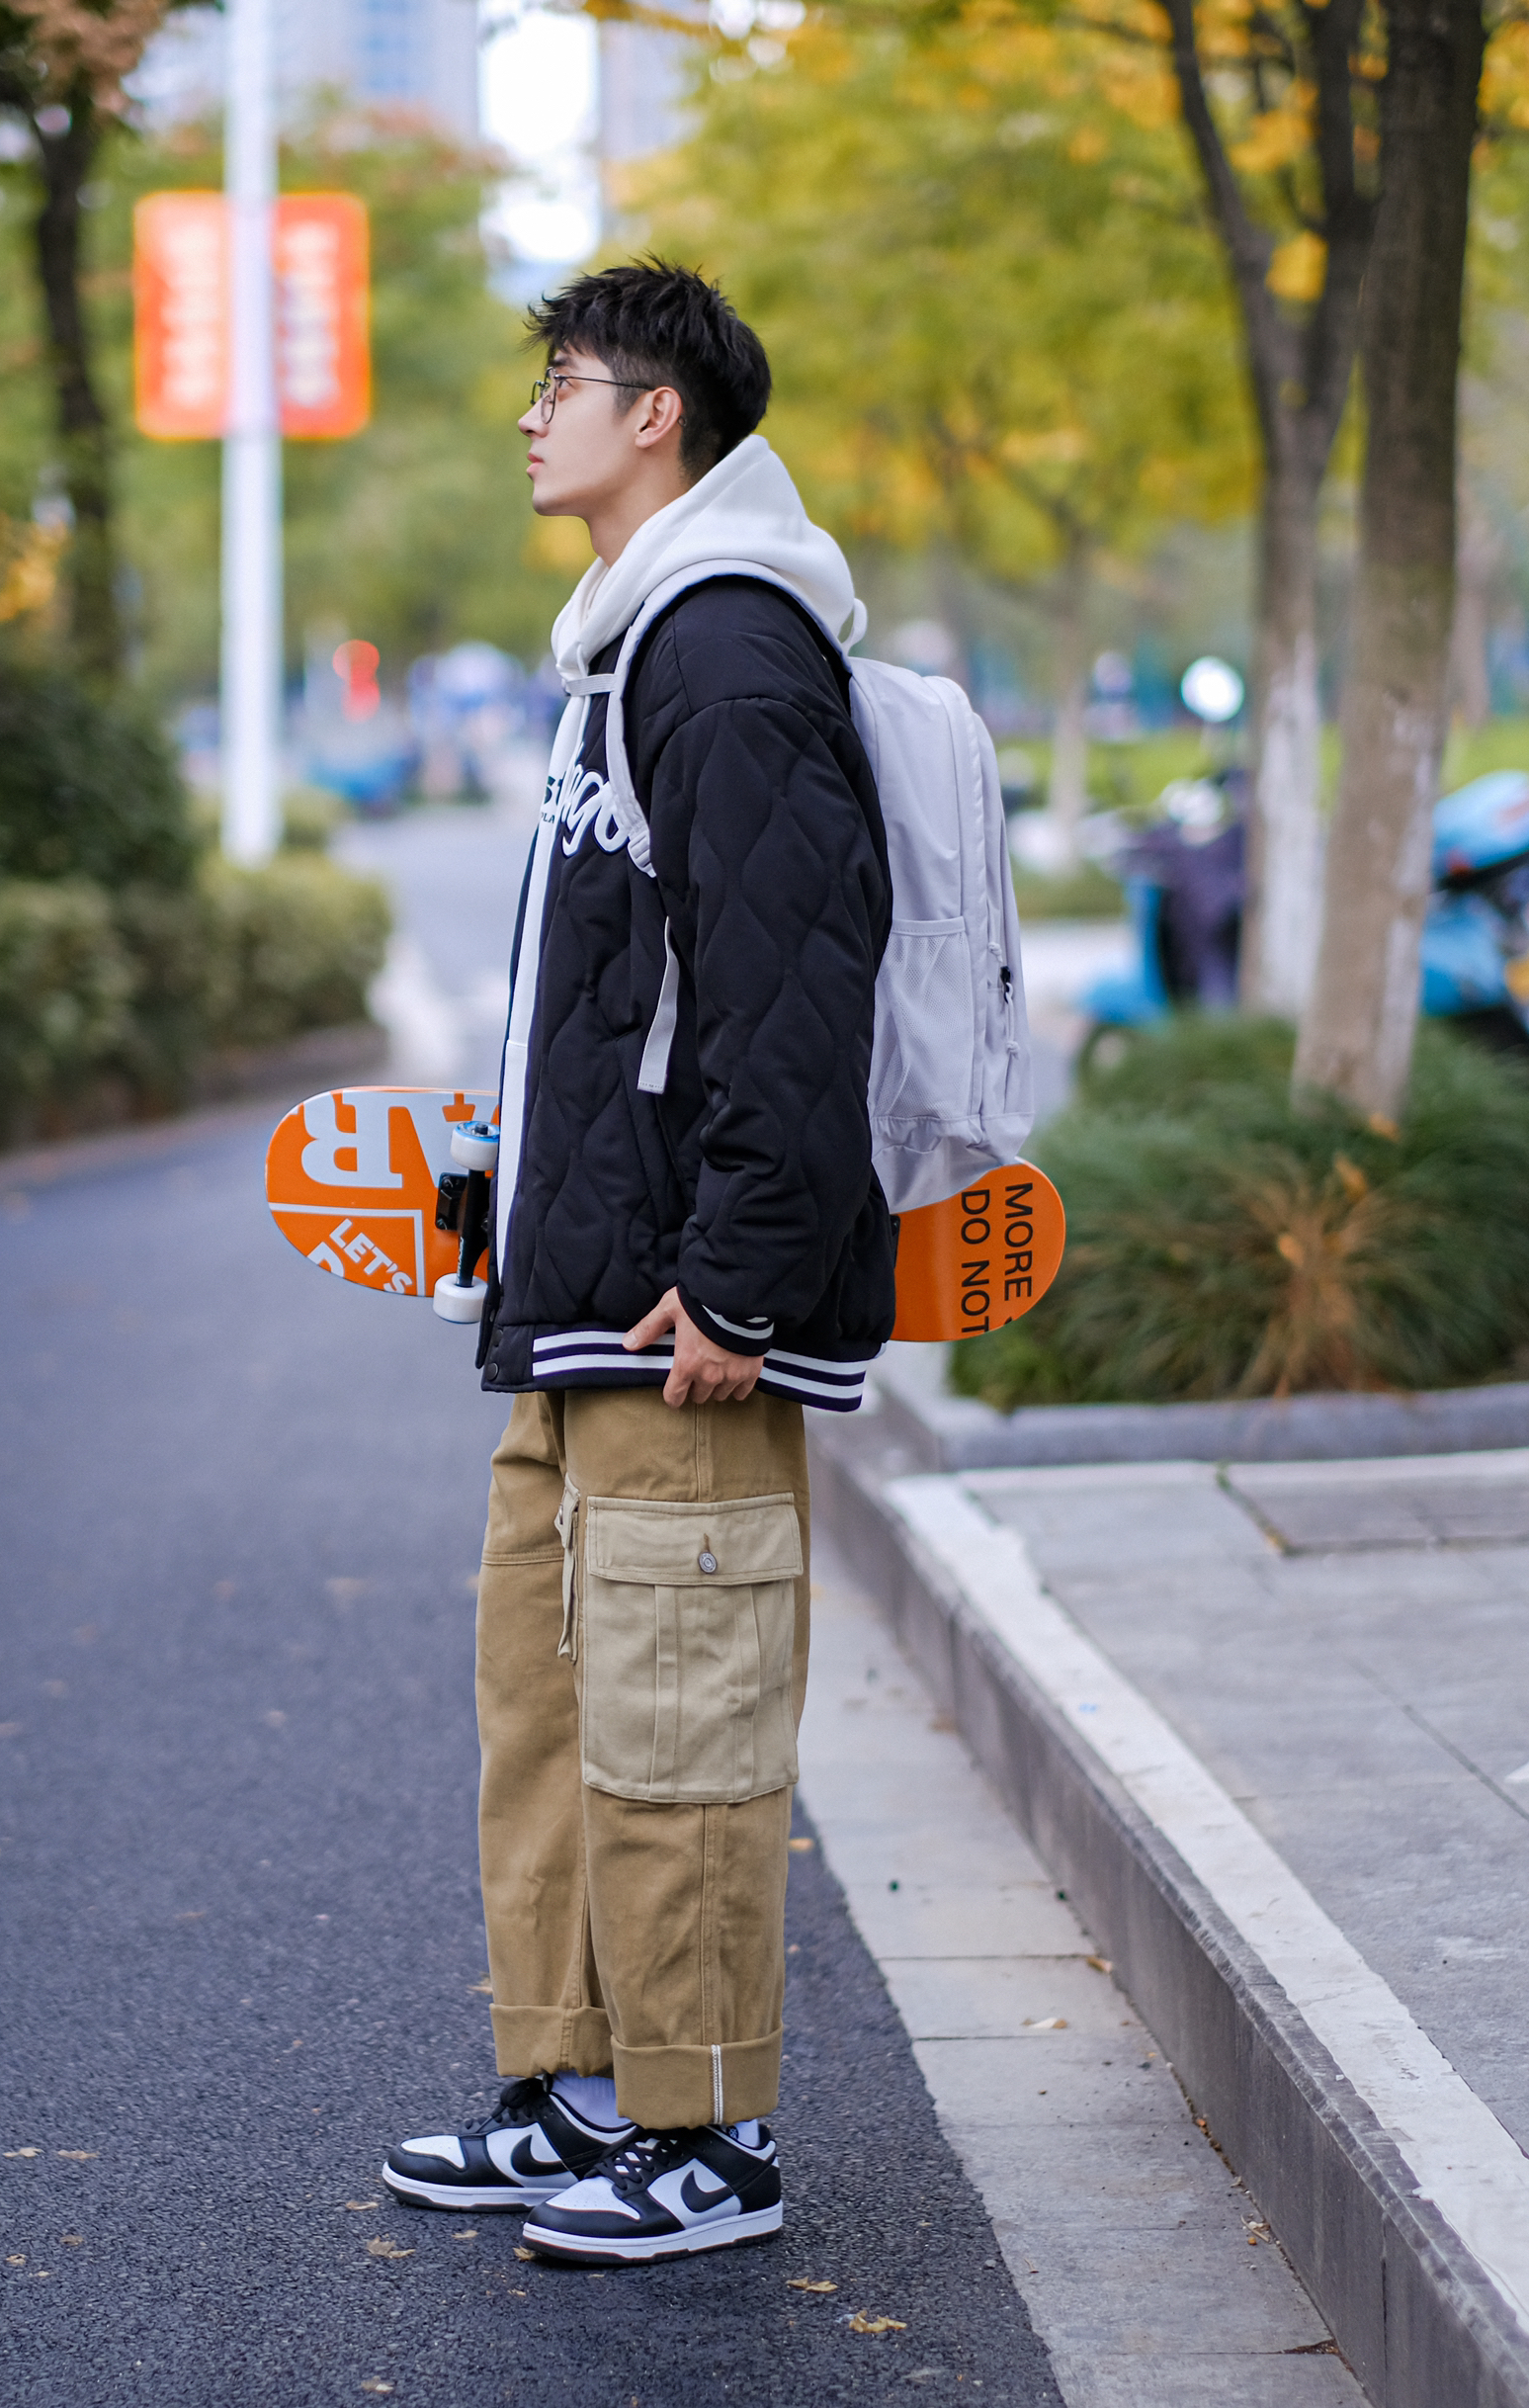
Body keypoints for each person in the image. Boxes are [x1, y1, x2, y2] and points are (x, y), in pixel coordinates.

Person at [381, 260, 894, 2265]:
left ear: (654, 413)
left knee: (679, 1733)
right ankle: (582, 2091)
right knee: (550, 1715)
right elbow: (610, 1001)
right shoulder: (625, 643)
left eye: (561, 381)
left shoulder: (728, 646)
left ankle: (709, 2139)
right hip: (582, 1306)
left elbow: (794, 983)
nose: (532, 415)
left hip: (686, 1310)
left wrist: (743, 1274)